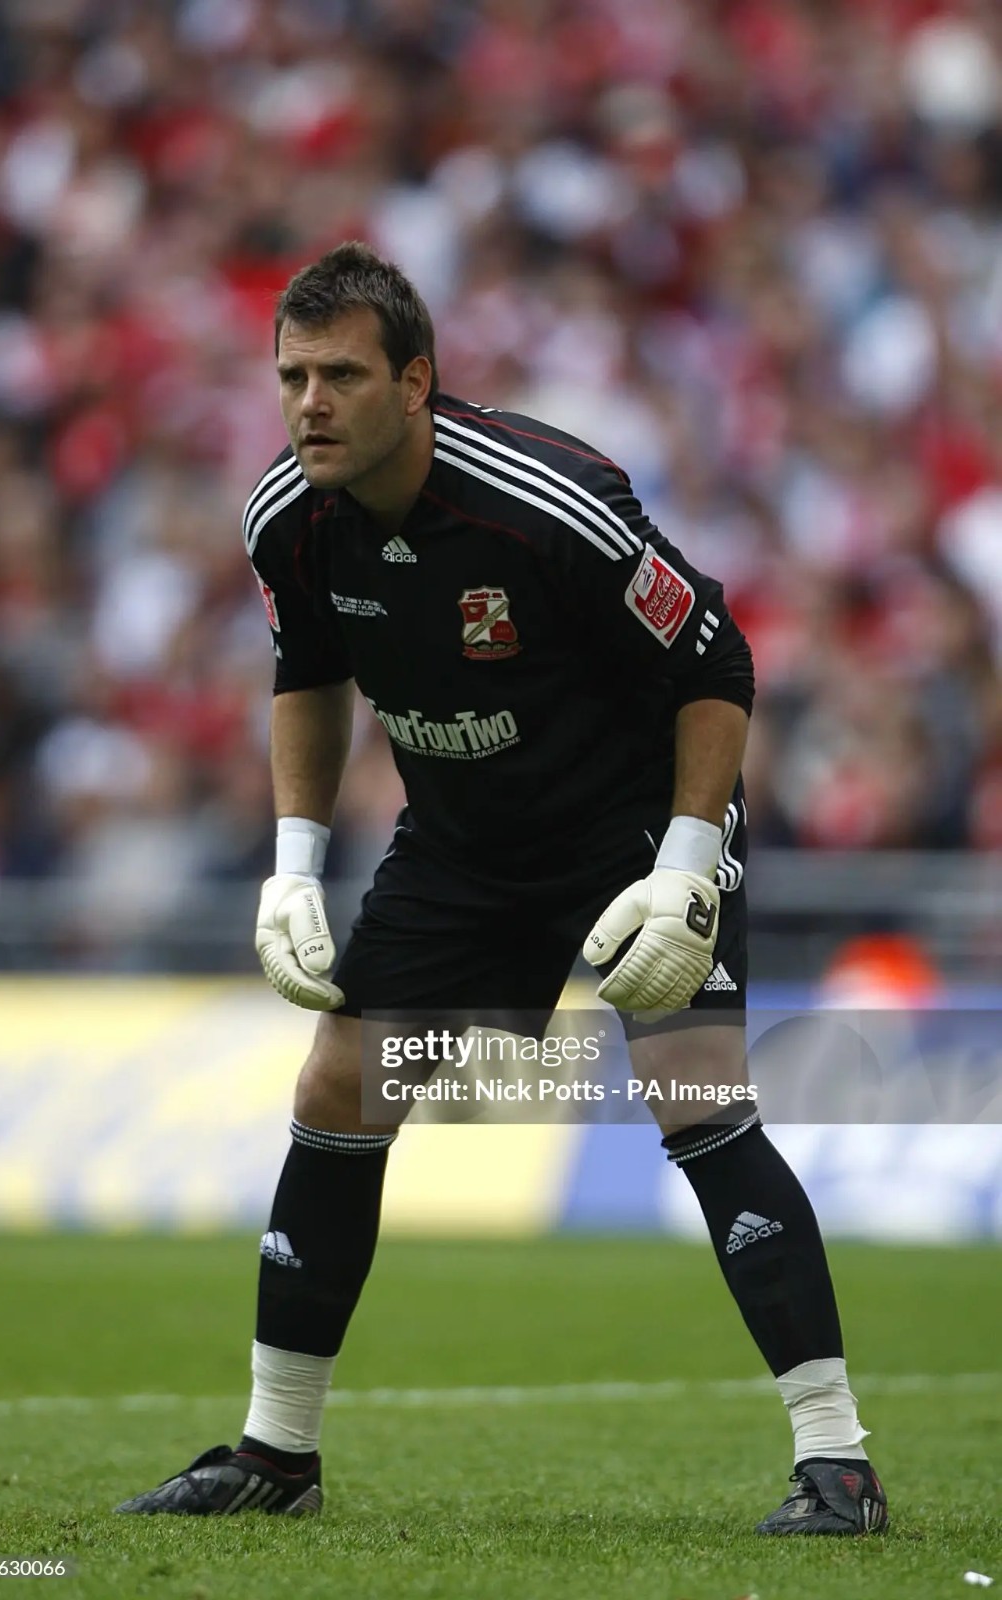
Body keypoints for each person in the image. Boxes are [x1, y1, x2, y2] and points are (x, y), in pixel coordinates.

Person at [116, 242, 887, 1534]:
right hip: (466, 843)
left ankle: (837, 1464)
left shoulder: (547, 501)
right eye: (292, 376)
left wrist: (688, 864)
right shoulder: (285, 518)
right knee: (339, 1088)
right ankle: (274, 1456)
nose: (309, 403)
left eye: (341, 376)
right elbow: (307, 674)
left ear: (415, 381)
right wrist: (293, 864)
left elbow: (717, 659)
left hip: (633, 827)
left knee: (693, 1095)